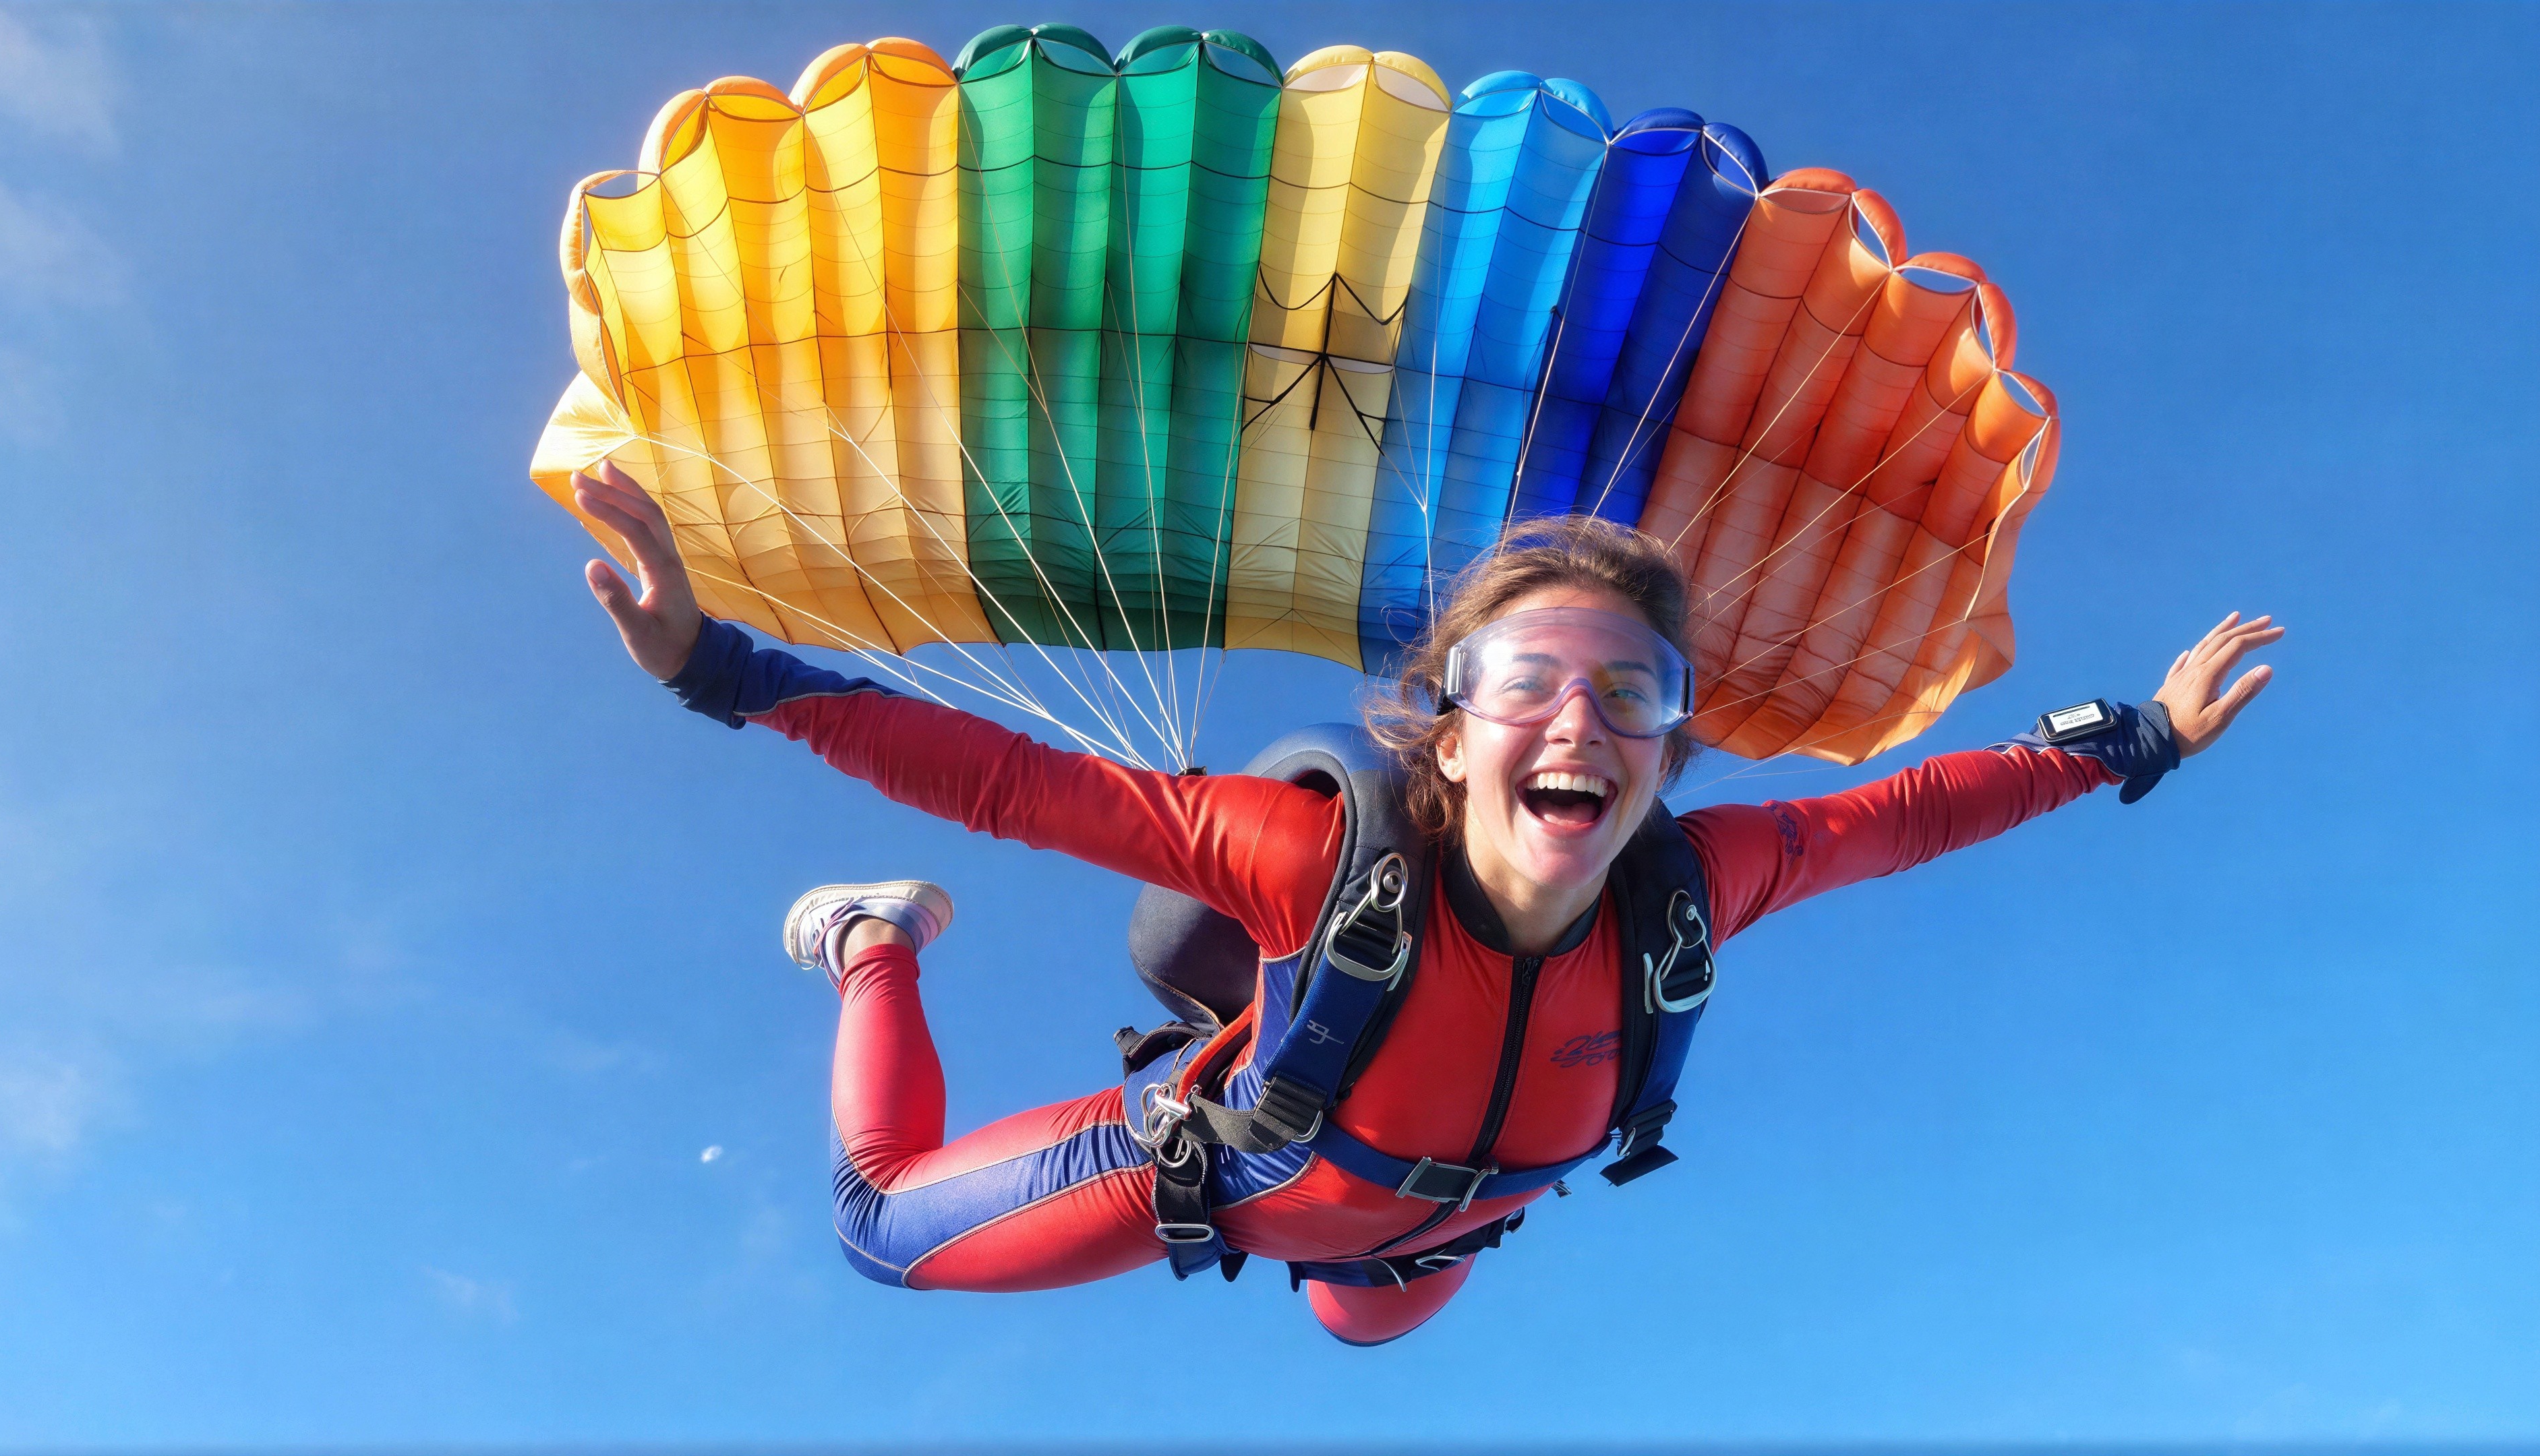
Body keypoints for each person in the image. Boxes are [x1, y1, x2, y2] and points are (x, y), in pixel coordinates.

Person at [570, 463, 2280, 1345]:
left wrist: (2133, 738)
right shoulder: (1313, 857)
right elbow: (1016, 784)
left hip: (1422, 1233)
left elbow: (1910, 811)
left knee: (1358, 1332)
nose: (1580, 724)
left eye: (1635, 696)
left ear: (1669, 754)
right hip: (1239, 1178)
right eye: (1527, 679)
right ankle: (878, 944)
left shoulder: (1693, 891)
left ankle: (1338, 1203)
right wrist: (718, 669)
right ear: (1447, 739)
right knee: (882, 1237)